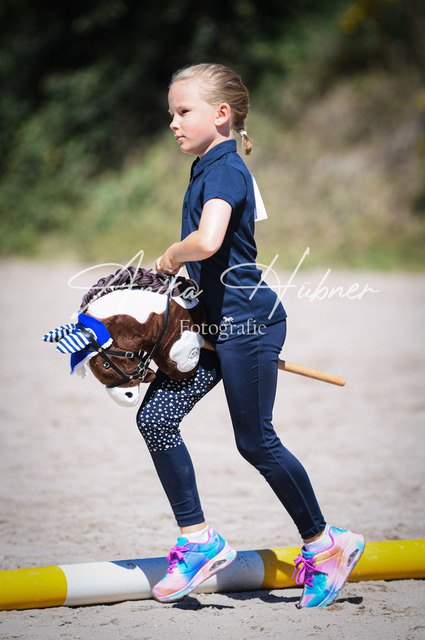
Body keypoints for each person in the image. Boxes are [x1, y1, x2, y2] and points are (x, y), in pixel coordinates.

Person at [137, 62, 364, 608]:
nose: (173, 123)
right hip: (215, 324)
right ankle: (199, 541)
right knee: (156, 418)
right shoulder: (207, 167)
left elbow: (209, 240)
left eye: (183, 111)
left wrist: (171, 255)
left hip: (250, 324)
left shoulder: (226, 170)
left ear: (221, 114)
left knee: (255, 441)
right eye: (171, 113)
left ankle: (326, 545)